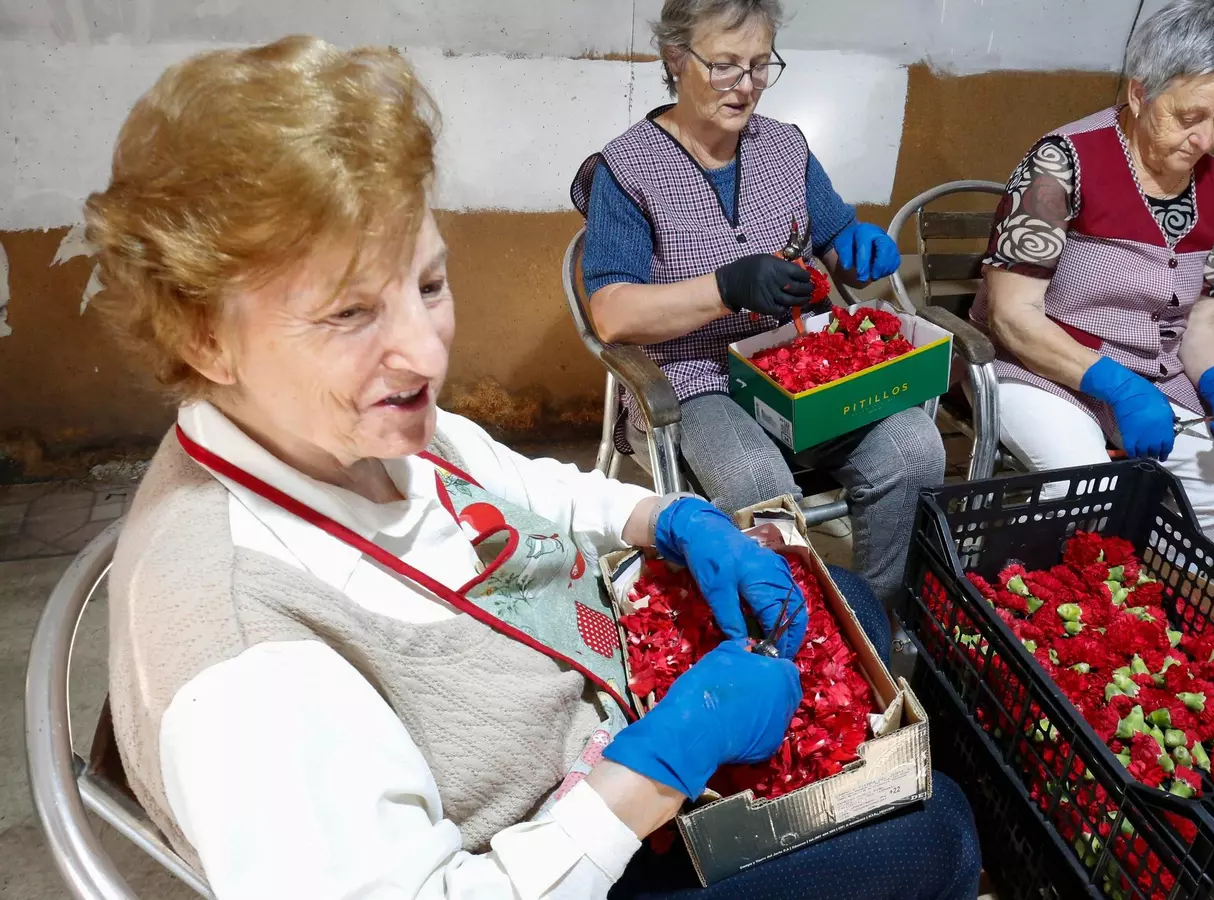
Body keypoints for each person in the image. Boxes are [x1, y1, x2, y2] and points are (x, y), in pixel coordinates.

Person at [93, 36, 980, 900]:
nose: (425, 353)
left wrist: (665, 518)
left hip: (592, 693)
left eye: (429, 285)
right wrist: (662, 762)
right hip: (559, 840)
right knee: (937, 829)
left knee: (842, 604)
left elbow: (514, 481)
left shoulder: (338, 423)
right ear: (204, 338)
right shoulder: (243, 668)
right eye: (349, 313)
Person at [573, 0, 945, 607]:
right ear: (675, 57)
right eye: (724, 66)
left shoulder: (784, 148)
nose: (746, 86)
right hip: (695, 380)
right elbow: (613, 314)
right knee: (758, 485)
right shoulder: (627, 169)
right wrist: (724, 289)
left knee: (914, 449)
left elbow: (837, 249)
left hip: (795, 374)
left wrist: (858, 248)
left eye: (759, 65)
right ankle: (784, 628)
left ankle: (872, 620)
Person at [968, 0, 1214, 544]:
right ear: (1139, 93)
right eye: (1189, 118)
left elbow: (1203, 323)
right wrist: (1119, 388)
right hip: (1040, 369)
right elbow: (1012, 316)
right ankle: (1045, 580)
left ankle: (1141, 575)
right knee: (1090, 484)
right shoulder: (1062, 162)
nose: (1207, 139)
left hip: (1154, 380)